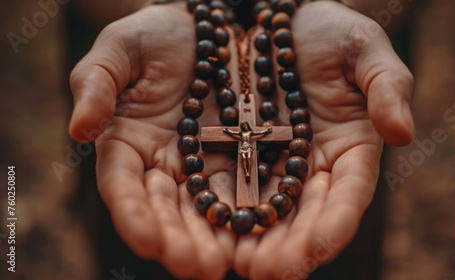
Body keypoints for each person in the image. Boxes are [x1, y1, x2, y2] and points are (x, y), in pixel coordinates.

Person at [69, 0, 415, 278]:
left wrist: (360, 6)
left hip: (329, 101)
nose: (246, 133)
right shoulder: (227, 131)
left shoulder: (265, 130)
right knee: (133, 248)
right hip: (147, 93)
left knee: (333, 255)